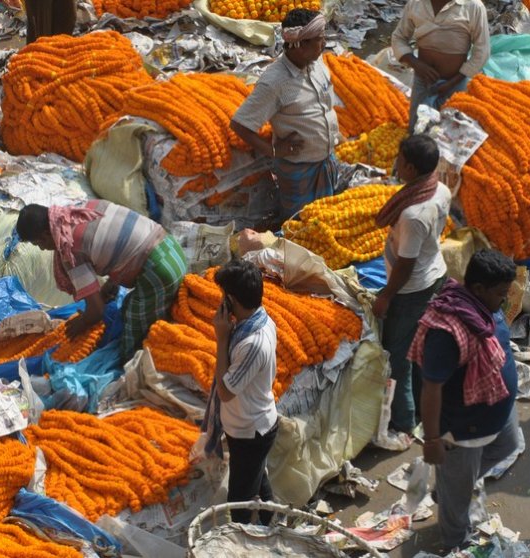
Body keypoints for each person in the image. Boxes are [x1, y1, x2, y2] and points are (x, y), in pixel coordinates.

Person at [411, 249, 520, 551]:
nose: (505, 299)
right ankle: (455, 542)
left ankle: (449, 486)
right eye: (501, 293)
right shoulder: (447, 333)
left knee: (510, 445)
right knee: (457, 501)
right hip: (463, 429)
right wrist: (432, 440)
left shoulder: (483, 307)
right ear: (479, 289)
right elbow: (431, 388)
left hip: (497, 412)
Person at [15, 201, 188, 361]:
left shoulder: (69, 249)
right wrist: (108, 287)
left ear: (46, 235)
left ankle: (127, 373)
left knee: (133, 334)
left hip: (159, 270)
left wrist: (80, 324)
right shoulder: (79, 209)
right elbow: (118, 245)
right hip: (173, 250)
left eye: (38, 244)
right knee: (129, 307)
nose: (43, 249)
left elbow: (97, 311)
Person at [372, 134, 451, 434]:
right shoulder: (440, 189)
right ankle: (420, 406)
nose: (396, 164)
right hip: (435, 274)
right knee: (421, 350)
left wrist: (386, 295)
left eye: (400, 160)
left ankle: (403, 420)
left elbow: (406, 264)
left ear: (411, 168)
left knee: (398, 357)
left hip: (412, 290)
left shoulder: (413, 215)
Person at [231, 8, 340, 225]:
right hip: (299, 169)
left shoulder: (317, 64)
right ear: (299, 45)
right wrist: (273, 151)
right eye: (319, 39)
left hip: (326, 162)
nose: (324, 43)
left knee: (325, 221)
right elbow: (240, 124)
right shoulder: (274, 81)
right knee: (297, 224)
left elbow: (326, 107)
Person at [200, 259, 279, 525]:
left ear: (232, 299)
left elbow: (225, 392)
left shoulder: (252, 343)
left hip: (251, 431)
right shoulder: (259, 320)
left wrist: (221, 338)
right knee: (258, 480)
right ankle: (274, 524)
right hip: (248, 426)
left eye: (224, 296)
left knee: (239, 502)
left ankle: (243, 540)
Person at [390, 0, 489, 132]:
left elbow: (482, 49)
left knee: (448, 134)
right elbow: (398, 37)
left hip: (455, 83)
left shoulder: (472, 6)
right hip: (423, 82)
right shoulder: (416, 4)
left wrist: (454, 81)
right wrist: (415, 63)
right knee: (417, 131)